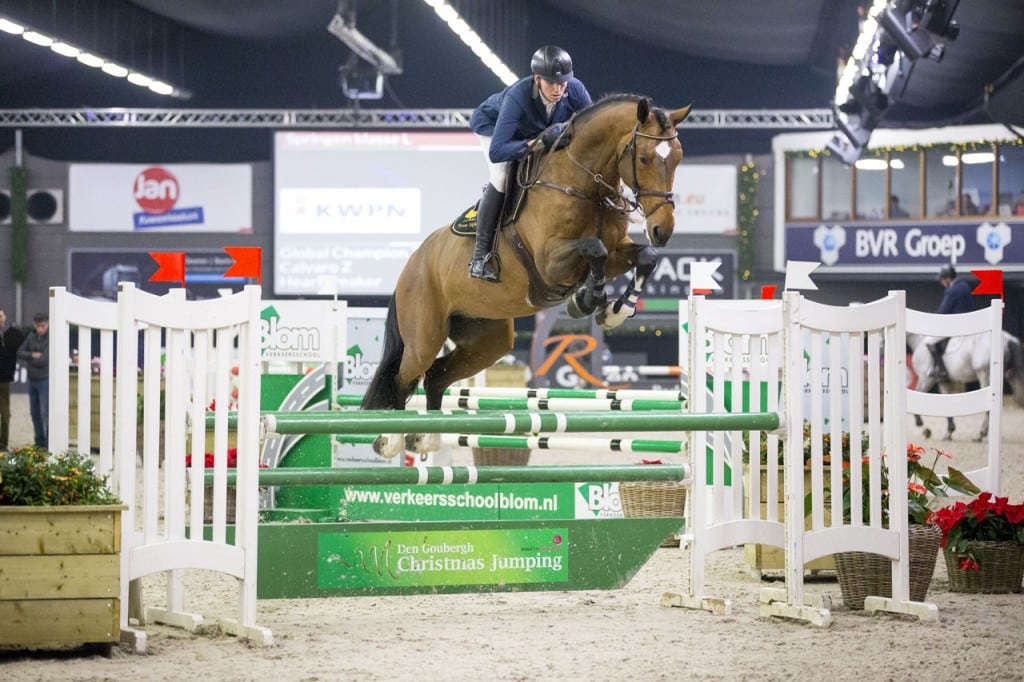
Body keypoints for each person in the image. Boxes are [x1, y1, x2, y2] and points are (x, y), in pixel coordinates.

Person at [467, 45, 593, 281]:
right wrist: (536, 143)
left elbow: (590, 131)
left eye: (562, 83)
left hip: (534, 132)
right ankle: (479, 256)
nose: (558, 89)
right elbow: (497, 151)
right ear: (537, 79)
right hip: (495, 131)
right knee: (502, 177)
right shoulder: (519, 96)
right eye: (551, 83)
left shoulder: (574, 90)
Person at [928, 264, 975, 381]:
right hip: (970, 324)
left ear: (947, 279)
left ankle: (941, 370)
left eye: (942, 280)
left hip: (956, 326)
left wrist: (930, 318)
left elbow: (944, 311)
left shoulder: (951, 290)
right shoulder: (965, 286)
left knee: (930, 342)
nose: (942, 283)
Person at [17, 312, 49, 449]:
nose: (40, 329)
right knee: (34, 413)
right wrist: (33, 355)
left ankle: (49, 443)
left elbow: (45, 360)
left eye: (42, 326)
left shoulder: (51, 339)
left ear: (47, 324)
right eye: (38, 326)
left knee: (45, 413)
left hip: (45, 379)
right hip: (32, 380)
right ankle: (39, 441)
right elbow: (20, 352)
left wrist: (30, 359)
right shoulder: (31, 336)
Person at [0, 308, 25, 451]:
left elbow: (22, 343)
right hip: (5, 377)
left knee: (5, 413)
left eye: (1, 316)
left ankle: (3, 443)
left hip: (4, 380)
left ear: (5, 317)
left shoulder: (11, 334)